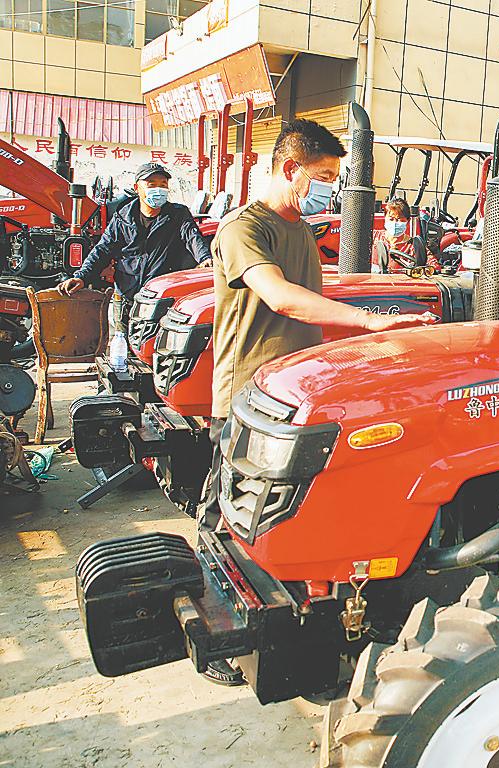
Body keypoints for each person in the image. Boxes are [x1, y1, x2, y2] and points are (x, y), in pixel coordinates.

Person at [201, 118, 436, 685]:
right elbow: (283, 299)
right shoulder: (243, 229)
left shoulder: (300, 229)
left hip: (296, 397)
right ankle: (215, 643)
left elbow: (315, 306)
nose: (332, 185)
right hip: (249, 397)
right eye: (325, 175)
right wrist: (368, 320)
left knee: (276, 520)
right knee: (223, 516)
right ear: (290, 170)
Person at [60, 162, 212, 332]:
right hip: (126, 295)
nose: (159, 189)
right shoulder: (123, 218)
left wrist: (205, 258)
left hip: (159, 299)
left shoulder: (178, 215)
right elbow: (103, 250)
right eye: (151, 184)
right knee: (122, 345)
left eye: (163, 185)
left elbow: (192, 237)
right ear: (137, 188)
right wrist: (81, 277)